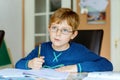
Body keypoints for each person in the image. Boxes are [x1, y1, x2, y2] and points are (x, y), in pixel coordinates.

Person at [15, 8, 113, 72]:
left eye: (65, 30)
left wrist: (76, 68)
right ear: (49, 29)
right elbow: (18, 64)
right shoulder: (41, 48)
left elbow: (107, 65)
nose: (58, 33)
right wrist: (29, 63)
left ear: (73, 34)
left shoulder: (79, 51)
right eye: (54, 28)